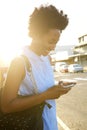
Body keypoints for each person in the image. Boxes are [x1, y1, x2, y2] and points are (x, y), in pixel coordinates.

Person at [1, 4, 71, 130]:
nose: (53, 47)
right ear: (36, 34)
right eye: (51, 41)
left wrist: (57, 87)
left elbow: (40, 84)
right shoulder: (19, 62)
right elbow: (6, 106)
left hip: (50, 124)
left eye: (56, 42)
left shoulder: (47, 59)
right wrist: (46, 95)